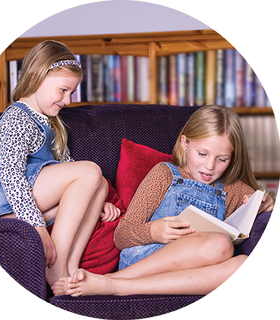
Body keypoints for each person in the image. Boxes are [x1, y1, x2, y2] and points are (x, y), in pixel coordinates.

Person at [51, 104, 275, 296]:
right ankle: (117, 280)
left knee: (243, 265)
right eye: (203, 154)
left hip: (191, 272)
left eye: (222, 159)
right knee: (220, 244)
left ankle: (115, 284)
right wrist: (154, 231)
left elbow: (259, 205)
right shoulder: (164, 174)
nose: (210, 166)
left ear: (232, 157)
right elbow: (121, 236)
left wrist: (267, 205)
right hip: (145, 260)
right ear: (186, 144)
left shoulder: (233, 189)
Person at [0, 40, 121, 287]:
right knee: (90, 171)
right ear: (35, 78)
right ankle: (56, 265)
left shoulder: (52, 124)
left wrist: (96, 197)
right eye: (63, 90)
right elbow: (10, 174)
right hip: (3, 200)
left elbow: (67, 167)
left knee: (99, 183)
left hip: (33, 198)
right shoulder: (17, 116)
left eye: (72, 92)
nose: (68, 100)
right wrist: (37, 227)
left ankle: (70, 268)